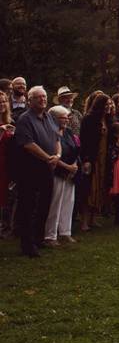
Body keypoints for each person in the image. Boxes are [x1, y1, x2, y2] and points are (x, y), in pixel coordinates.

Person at [15, 86, 60, 257]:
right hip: (29, 170)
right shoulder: (24, 119)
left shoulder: (49, 117)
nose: (42, 99)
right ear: (30, 100)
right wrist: (48, 158)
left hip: (47, 169)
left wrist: (57, 155)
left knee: (44, 204)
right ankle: (27, 245)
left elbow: (56, 138)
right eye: (38, 97)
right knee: (28, 207)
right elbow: (28, 144)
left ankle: (39, 238)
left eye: (44, 96)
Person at [44, 105, 80, 246]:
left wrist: (74, 167)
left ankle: (65, 232)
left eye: (67, 117)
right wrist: (67, 168)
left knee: (68, 203)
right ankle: (50, 235)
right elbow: (53, 155)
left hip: (70, 172)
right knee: (55, 204)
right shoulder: (51, 133)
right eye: (62, 117)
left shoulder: (69, 132)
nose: (66, 120)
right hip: (57, 172)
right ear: (53, 118)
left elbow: (76, 149)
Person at [79, 93, 115, 230]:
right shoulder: (88, 119)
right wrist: (86, 159)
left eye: (110, 105)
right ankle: (84, 222)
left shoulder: (108, 120)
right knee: (89, 189)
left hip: (104, 159)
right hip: (92, 158)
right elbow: (84, 141)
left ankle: (94, 219)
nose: (108, 107)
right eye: (106, 105)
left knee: (100, 187)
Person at [0, 92, 14, 236]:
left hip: (7, 163)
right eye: (0, 102)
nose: (2, 104)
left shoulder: (9, 121)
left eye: (4, 101)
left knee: (5, 195)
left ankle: (5, 227)